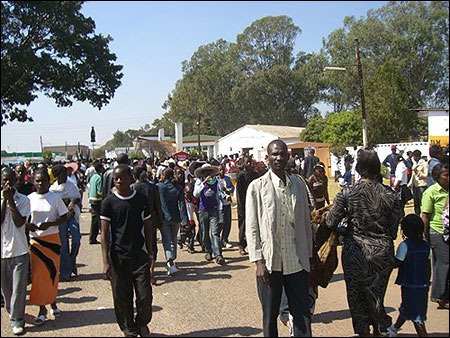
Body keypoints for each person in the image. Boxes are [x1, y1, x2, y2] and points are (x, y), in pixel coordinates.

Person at [326, 149, 402, 337]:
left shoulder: (347, 194)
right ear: (378, 169)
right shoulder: (390, 195)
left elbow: (330, 221)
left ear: (358, 169)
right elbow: (393, 231)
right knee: (377, 296)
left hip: (355, 253)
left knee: (356, 296)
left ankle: (363, 332)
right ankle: (379, 329)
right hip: (382, 254)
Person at [246, 140, 313, 337]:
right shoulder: (257, 187)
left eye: (283, 154)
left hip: (296, 261)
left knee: (302, 315)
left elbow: (305, 224)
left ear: (288, 156)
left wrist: (309, 257)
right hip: (270, 262)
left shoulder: (298, 185)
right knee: (270, 316)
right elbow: (252, 228)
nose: (279, 158)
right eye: (274, 154)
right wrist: (258, 262)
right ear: (268, 157)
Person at [100, 164, 153, 337]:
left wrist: (151, 253)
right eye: (116, 178)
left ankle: (142, 323)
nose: (119, 181)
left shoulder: (141, 199)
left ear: (131, 178)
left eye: (123, 177)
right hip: (118, 257)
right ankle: (129, 329)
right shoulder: (108, 203)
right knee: (122, 297)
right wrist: (106, 261)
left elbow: (147, 227)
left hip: (139, 256)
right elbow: (105, 235)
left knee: (144, 296)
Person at [27, 169, 68, 325]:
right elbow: (23, 219)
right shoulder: (28, 199)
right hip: (36, 241)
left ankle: (52, 302)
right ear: (33, 182)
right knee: (38, 275)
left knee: (52, 273)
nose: (40, 183)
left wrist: (50, 224)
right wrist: (28, 226)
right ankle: (42, 308)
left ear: (49, 182)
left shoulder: (55, 198)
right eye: (37, 181)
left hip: (52, 239)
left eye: (43, 181)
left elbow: (64, 217)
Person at [388, 214, 431, 337]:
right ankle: (395, 328)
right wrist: (427, 280)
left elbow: (397, 263)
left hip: (409, 283)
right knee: (407, 307)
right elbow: (428, 265)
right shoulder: (426, 246)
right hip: (422, 284)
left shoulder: (404, 246)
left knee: (417, 316)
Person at [1, 168, 31, 335]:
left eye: (10, 180)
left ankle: (17, 321)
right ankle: (12, 311)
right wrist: (4, 201)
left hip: (19, 249)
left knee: (19, 288)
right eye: (4, 180)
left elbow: (20, 222)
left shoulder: (24, 200)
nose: (7, 183)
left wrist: (11, 201)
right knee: (6, 291)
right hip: (2, 251)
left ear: (15, 180)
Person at [421, 162, 449, 309]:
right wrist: (424, 236)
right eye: (446, 175)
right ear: (437, 177)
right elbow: (425, 215)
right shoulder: (431, 192)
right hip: (437, 231)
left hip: (448, 231)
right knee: (443, 263)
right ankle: (441, 296)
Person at [50, 165, 82, 281]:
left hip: (71, 216)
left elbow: (77, 197)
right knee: (63, 245)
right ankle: (65, 271)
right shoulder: (52, 189)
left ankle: (72, 261)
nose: (65, 176)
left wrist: (73, 202)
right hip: (60, 219)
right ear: (57, 176)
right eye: (62, 174)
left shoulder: (71, 185)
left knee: (76, 239)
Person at [132, 166, 162, 285]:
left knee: (138, 245)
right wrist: (160, 221)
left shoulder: (132, 188)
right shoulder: (153, 188)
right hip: (151, 220)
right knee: (152, 246)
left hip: (136, 221)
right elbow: (158, 206)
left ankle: (139, 271)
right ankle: (151, 271)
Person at [157, 168, 188, 275]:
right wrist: (185, 220)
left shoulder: (159, 187)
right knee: (174, 239)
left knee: (166, 240)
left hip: (164, 218)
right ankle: (172, 259)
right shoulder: (178, 188)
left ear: (163, 176)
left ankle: (170, 261)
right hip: (175, 217)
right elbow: (182, 205)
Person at [193, 164, 226, 265]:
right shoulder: (199, 182)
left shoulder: (216, 181)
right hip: (203, 210)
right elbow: (195, 194)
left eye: (209, 172)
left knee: (215, 232)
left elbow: (221, 191)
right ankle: (208, 251)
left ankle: (218, 254)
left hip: (214, 210)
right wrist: (204, 183)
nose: (208, 174)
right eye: (205, 172)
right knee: (205, 232)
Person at [236, 155, 259, 256]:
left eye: (250, 162)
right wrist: (242, 208)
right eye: (247, 162)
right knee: (243, 226)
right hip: (244, 205)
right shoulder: (240, 176)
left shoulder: (255, 175)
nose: (249, 164)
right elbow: (239, 194)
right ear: (244, 163)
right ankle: (241, 245)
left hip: (254, 203)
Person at [218, 165, 235, 248]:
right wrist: (224, 195)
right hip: (220, 205)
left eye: (223, 170)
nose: (222, 172)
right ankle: (217, 240)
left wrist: (228, 190)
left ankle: (224, 240)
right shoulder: (215, 180)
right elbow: (217, 193)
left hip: (227, 204)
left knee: (227, 223)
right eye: (220, 170)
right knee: (221, 222)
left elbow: (232, 187)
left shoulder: (227, 179)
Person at [88, 161, 105, 245]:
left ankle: (92, 238)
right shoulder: (99, 178)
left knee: (94, 221)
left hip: (92, 199)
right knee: (100, 220)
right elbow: (100, 191)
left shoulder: (93, 177)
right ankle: (104, 238)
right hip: (97, 200)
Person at [407, 150, 428, 216]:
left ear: (418, 156)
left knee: (423, 203)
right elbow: (413, 176)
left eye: (414, 157)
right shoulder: (415, 164)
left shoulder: (424, 164)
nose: (413, 158)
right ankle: (417, 216)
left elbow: (426, 175)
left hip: (422, 185)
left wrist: (418, 173)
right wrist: (409, 185)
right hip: (415, 186)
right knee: (416, 204)